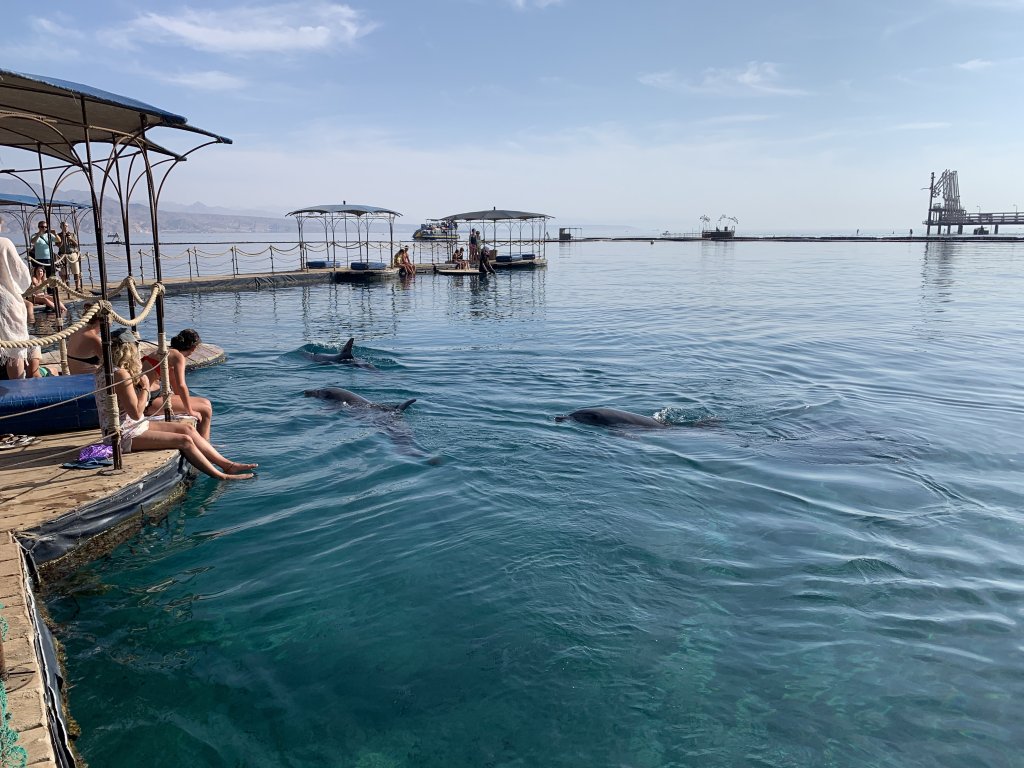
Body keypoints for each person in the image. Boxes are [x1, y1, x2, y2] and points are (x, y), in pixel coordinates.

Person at [98, 328, 255, 481]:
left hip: (132, 425)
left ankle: (227, 465)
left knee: (186, 428)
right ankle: (221, 475)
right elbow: (136, 413)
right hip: (123, 434)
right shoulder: (120, 374)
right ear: (127, 349)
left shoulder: (106, 370)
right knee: (184, 440)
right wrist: (145, 387)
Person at [142, 328, 214, 440]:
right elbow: (181, 385)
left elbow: (173, 381)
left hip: (152, 395)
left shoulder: (166, 352)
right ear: (194, 348)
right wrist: (189, 410)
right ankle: (206, 443)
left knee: (206, 402)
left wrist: (182, 401)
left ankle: (202, 440)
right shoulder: (178, 357)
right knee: (206, 410)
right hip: (148, 402)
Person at [0, 217, 31, 380]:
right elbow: (22, 276)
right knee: (15, 348)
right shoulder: (4, 243)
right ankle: (18, 391)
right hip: (5, 301)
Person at [65, 302, 103, 374]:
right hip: (90, 380)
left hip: (75, 376)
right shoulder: (93, 338)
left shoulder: (77, 331)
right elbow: (109, 363)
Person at [58, 222, 82, 292]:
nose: (65, 227)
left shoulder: (72, 234)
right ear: (61, 227)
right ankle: (66, 287)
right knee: (64, 272)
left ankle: (78, 287)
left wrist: (71, 239)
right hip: (63, 254)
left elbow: (76, 244)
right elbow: (58, 245)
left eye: (66, 226)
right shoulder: (58, 235)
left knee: (76, 271)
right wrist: (62, 238)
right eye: (63, 226)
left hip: (72, 254)